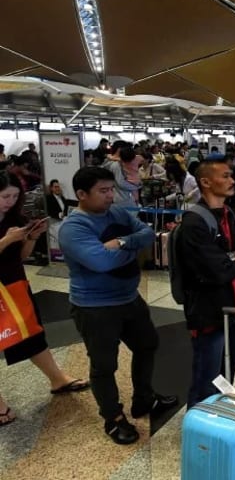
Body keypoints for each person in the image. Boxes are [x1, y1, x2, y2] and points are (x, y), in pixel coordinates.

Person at [59, 166, 177, 445]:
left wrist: (122, 242)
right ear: (81, 194)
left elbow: (147, 234)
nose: (111, 196)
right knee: (104, 365)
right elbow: (100, 262)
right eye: (103, 191)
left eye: (111, 189)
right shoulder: (73, 228)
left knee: (147, 345)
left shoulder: (118, 213)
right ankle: (112, 417)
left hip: (129, 298)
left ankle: (144, 398)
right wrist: (133, 250)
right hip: (95, 307)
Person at [0, 171, 89, 428]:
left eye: (14, 196)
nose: (10, 201)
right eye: (5, 196)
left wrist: (31, 237)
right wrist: (6, 240)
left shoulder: (15, 218)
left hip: (15, 285)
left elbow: (20, 256)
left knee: (31, 334)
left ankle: (57, 378)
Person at [178, 159, 235, 408]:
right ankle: (199, 427)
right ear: (206, 182)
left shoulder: (231, 214)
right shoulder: (194, 223)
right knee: (206, 376)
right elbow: (215, 270)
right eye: (225, 176)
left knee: (229, 368)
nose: (232, 180)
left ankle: (219, 414)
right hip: (209, 314)